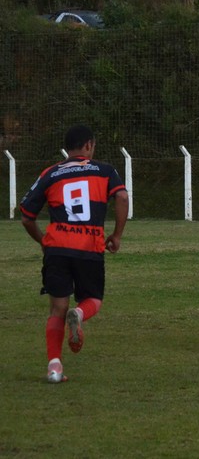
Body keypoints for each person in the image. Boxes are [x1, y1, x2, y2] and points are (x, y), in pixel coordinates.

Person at [20, 125, 129, 383]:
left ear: (67, 148)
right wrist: (116, 235)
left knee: (57, 308)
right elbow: (122, 197)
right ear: (89, 145)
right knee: (93, 299)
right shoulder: (104, 170)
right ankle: (79, 315)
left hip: (57, 248)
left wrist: (44, 242)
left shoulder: (51, 173)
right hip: (89, 247)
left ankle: (54, 368)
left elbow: (26, 217)